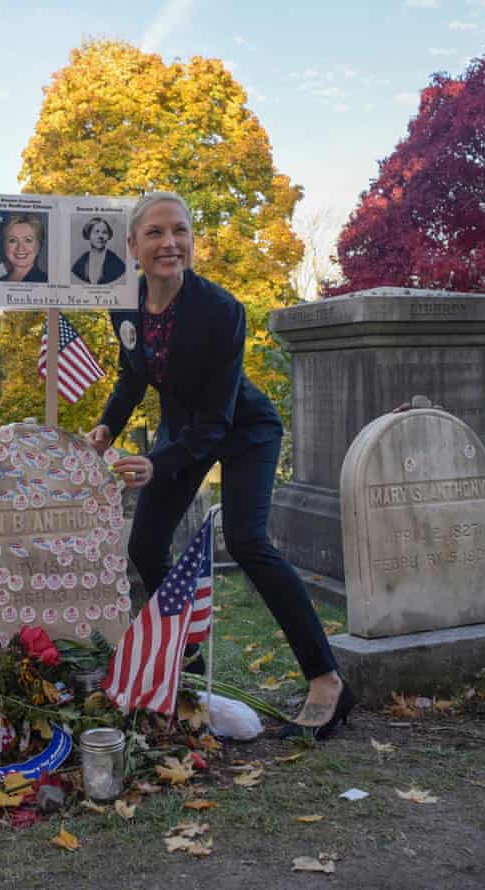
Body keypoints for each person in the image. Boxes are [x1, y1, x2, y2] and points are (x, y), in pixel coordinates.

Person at [86, 191, 355, 741]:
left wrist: (157, 464)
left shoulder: (222, 311)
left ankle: (326, 679)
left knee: (246, 539)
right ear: (133, 245)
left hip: (243, 429)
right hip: (185, 431)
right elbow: (133, 375)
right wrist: (108, 426)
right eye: (156, 233)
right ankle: (185, 659)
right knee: (144, 546)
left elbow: (215, 423)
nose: (170, 243)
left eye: (180, 231)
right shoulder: (124, 302)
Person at [71, 215, 126, 285]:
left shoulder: (117, 263)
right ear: (89, 235)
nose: (100, 236)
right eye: (96, 232)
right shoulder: (82, 260)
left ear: (108, 236)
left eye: (104, 232)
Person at [0, 213, 48, 282]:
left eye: (28, 240)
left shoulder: (44, 280)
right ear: (4, 244)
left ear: (39, 245)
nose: (20, 248)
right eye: (13, 240)